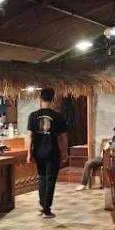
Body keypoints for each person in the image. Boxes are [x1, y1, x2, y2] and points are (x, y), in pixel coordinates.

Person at [26, 88, 68, 218]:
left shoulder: (33, 116)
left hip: (38, 152)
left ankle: (42, 205)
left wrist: (29, 153)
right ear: (53, 99)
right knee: (50, 179)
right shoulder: (58, 116)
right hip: (52, 152)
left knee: (42, 178)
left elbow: (30, 136)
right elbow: (63, 137)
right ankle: (46, 209)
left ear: (40, 98)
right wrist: (65, 152)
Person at [76, 125, 115, 191]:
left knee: (88, 163)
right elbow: (104, 151)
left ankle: (83, 184)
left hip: (111, 159)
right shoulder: (111, 141)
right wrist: (108, 147)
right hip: (103, 158)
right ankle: (83, 184)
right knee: (88, 163)